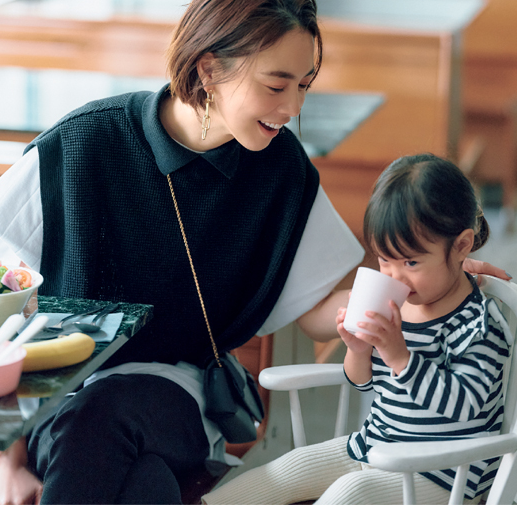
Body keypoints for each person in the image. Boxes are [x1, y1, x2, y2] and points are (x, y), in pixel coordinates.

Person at [0, 0, 505, 505]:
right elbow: (11, 314)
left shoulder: (281, 172)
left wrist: (434, 282)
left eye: (303, 86)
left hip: (175, 398)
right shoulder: (82, 143)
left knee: (98, 419)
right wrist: (6, 460)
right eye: (276, 85)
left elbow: (320, 306)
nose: (293, 108)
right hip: (63, 400)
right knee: (141, 484)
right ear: (209, 69)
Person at [203, 153, 513, 505]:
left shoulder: (478, 324)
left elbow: (466, 405)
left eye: (411, 261)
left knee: (348, 494)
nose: (394, 275)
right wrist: (358, 349)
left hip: (442, 473)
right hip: (377, 445)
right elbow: (361, 381)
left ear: (461, 245)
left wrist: (401, 357)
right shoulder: (399, 303)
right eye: (384, 259)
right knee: (284, 470)